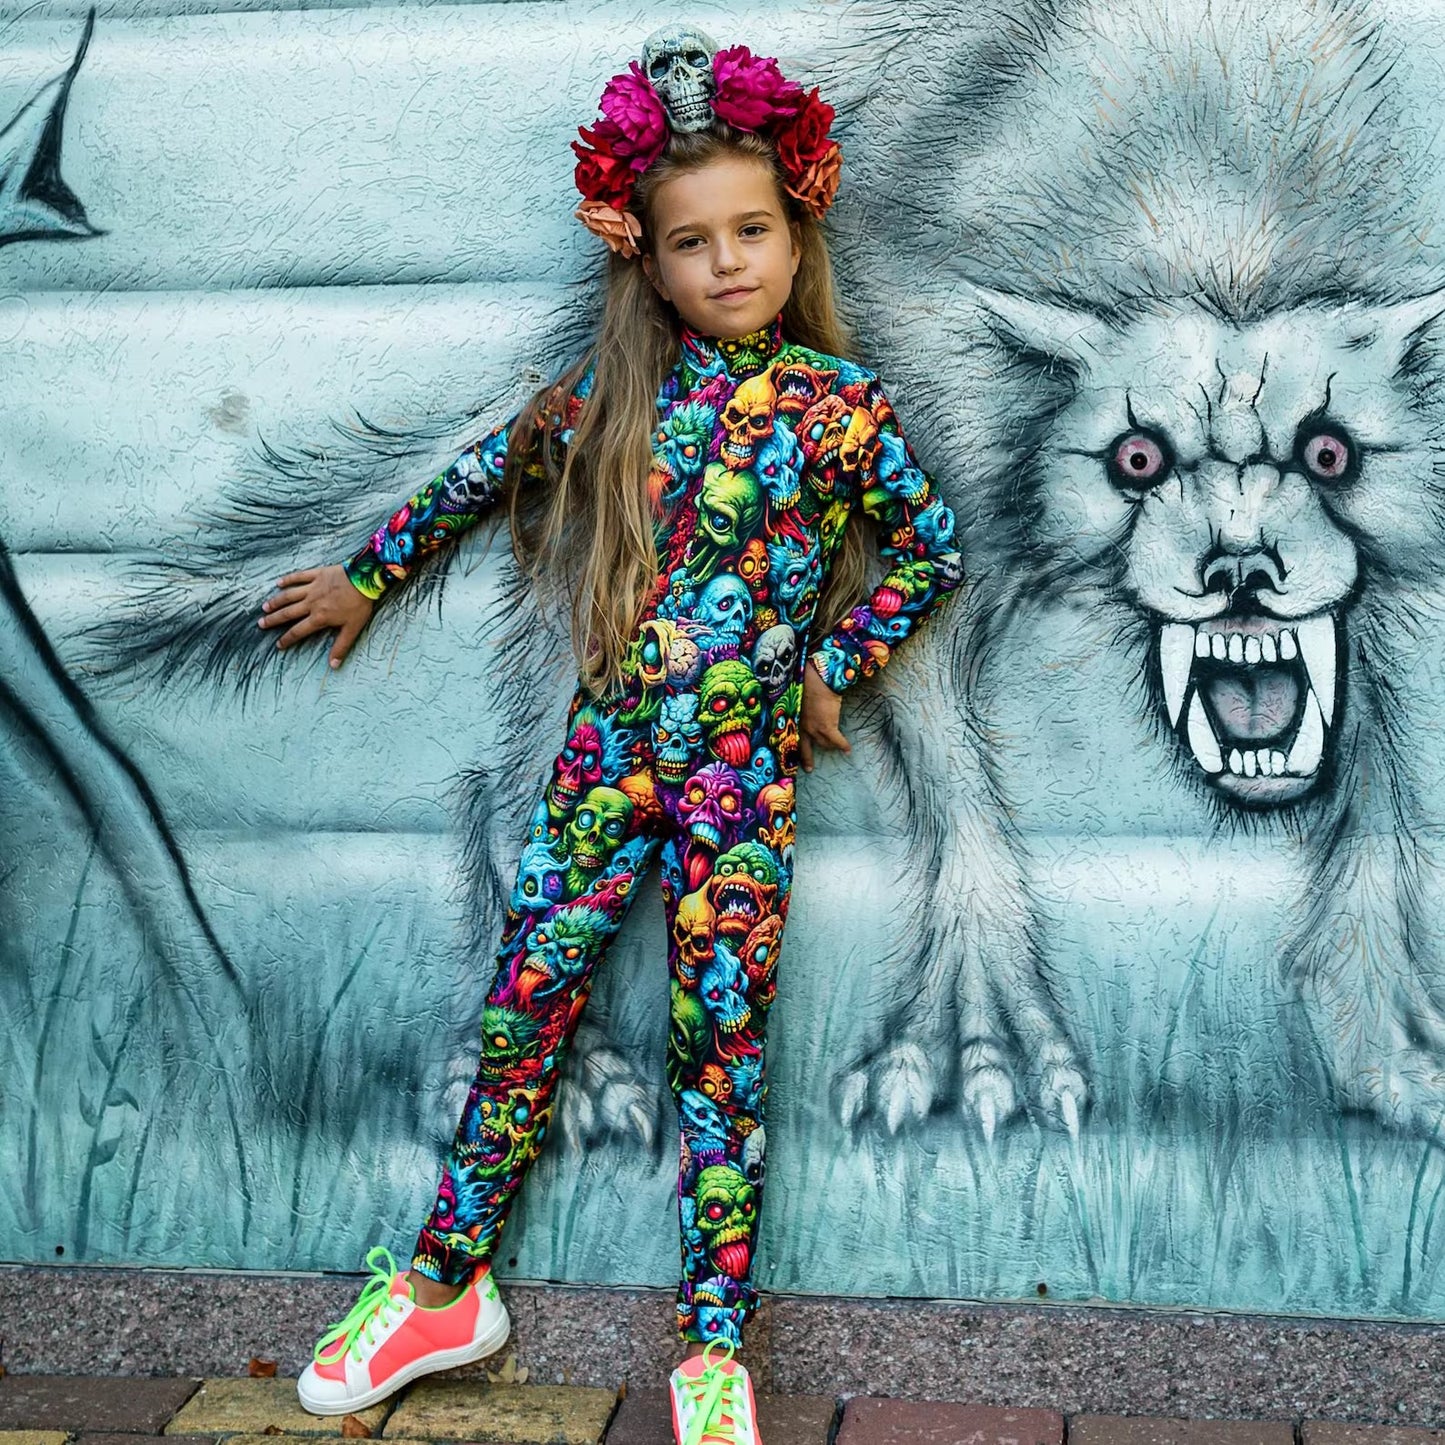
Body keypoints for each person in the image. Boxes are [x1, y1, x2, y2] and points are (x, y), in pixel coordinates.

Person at [257, 27, 962, 1445]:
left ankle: (711, 1344)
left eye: (751, 229)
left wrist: (835, 663)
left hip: (738, 785)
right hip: (604, 763)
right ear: (644, 258)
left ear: (794, 229)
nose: (726, 262)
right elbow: (481, 474)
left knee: (722, 1049)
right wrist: (367, 576)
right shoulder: (610, 400)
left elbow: (928, 547)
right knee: (526, 1007)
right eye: (690, 240)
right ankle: (448, 1283)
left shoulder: (840, 412)